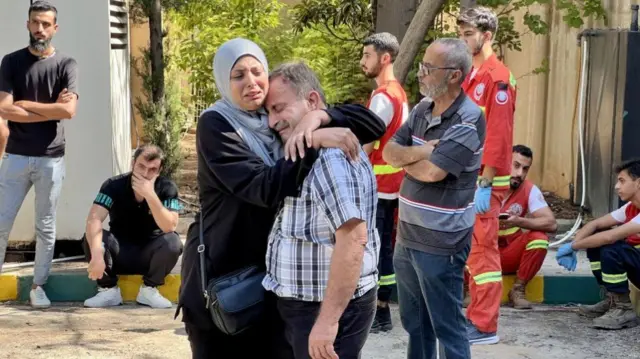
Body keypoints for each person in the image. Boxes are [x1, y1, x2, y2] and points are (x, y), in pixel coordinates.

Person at [177, 38, 386, 359]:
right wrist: (312, 139)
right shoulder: (217, 124)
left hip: (269, 285)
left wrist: (319, 118)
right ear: (223, 81)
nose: (250, 82)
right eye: (238, 76)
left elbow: (372, 123)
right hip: (222, 280)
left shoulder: (272, 119)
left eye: (256, 71)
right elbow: (263, 187)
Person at [263, 61, 379, 359]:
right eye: (268, 112)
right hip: (308, 305)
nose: (271, 121)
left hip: (322, 311)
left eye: (278, 108)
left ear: (312, 101)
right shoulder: (311, 149)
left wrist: (327, 324)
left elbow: (353, 240)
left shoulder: (331, 159)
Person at [382, 38, 484, 359]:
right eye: (422, 66)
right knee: (415, 324)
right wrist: (424, 151)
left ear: (454, 75)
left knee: (447, 326)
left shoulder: (469, 118)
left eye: (429, 68)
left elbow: (433, 173)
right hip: (408, 238)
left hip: (442, 243)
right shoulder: (421, 109)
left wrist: (409, 159)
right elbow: (389, 152)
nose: (421, 74)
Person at [0, 1, 79, 308]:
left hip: (51, 159)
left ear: (54, 28)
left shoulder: (66, 65)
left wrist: (28, 105)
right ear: (28, 25)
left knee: (45, 226)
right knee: (2, 222)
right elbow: (4, 108)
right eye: (35, 23)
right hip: (16, 157)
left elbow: (69, 111)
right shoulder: (11, 62)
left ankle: (38, 287)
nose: (40, 29)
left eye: (46, 24)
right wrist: (50, 110)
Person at [457, 6, 516, 344]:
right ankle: (475, 317)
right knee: (471, 252)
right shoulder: (473, 76)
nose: (464, 40)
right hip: (467, 177)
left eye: (469, 34)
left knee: (483, 253)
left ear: (487, 35)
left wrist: (486, 181)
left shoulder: (498, 78)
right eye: (461, 34)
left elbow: (498, 135)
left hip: (484, 181)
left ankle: (484, 325)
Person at [82, 145, 183, 309]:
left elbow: (169, 225)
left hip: (151, 256)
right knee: (92, 236)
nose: (145, 173)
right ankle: (108, 290)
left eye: (152, 169)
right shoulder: (113, 185)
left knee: (173, 242)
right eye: (141, 166)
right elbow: (94, 218)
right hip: (118, 253)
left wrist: (150, 195)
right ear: (133, 163)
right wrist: (97, 252)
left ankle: (149, 290)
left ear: (159, 170)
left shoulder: (167, 188)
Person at [360, 32, 409, 333]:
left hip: (379, 186)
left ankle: (377, 313)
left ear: (385, 58)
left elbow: (366, 142)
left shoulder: (383, 97)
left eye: (367, 55)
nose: (362, 61)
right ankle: (381, 312)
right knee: (384, 249)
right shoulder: (398, 92)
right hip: (393, 184)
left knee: (375, 250)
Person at [556, 159, 640, 330]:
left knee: (613, 248)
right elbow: (594, 225)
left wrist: (573, 247)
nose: (616, 186)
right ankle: (612, 299)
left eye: (622, 181)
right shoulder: (631, 208)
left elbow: (610, 236)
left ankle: (624, 309)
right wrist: (575, 242)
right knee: (597, 239)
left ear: (638, 183)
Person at [493, 145, 557, 309]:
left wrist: (519, 221)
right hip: (482, 253)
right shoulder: (484, 183)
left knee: (539, 239)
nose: (519, 173)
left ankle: (517, 290)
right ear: (504, 162)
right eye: (515, 165)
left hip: (509, 254)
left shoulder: (529, 189)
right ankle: (469, 289)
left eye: (525, 169)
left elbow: (551, 223)